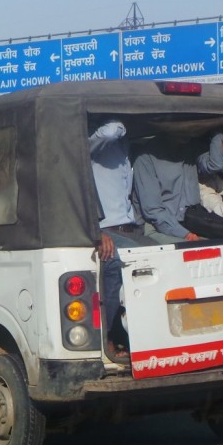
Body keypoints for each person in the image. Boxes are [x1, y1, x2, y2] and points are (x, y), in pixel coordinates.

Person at [89, 120, 154, 358]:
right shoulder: (95, 144)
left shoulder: (126, 149)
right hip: (106, 229)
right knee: (114, 264)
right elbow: (110, 130)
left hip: (130, 228)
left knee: (162, 256)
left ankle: (144, 336)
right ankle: (107, 338)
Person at [132, 128, 223, 244]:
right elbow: (153, 211)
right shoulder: (145, 158)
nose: (187, 129)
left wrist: (216, 129)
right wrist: (186, 234)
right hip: (158, 229)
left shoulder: (192, 147)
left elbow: (215, 165)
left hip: (193, 221)